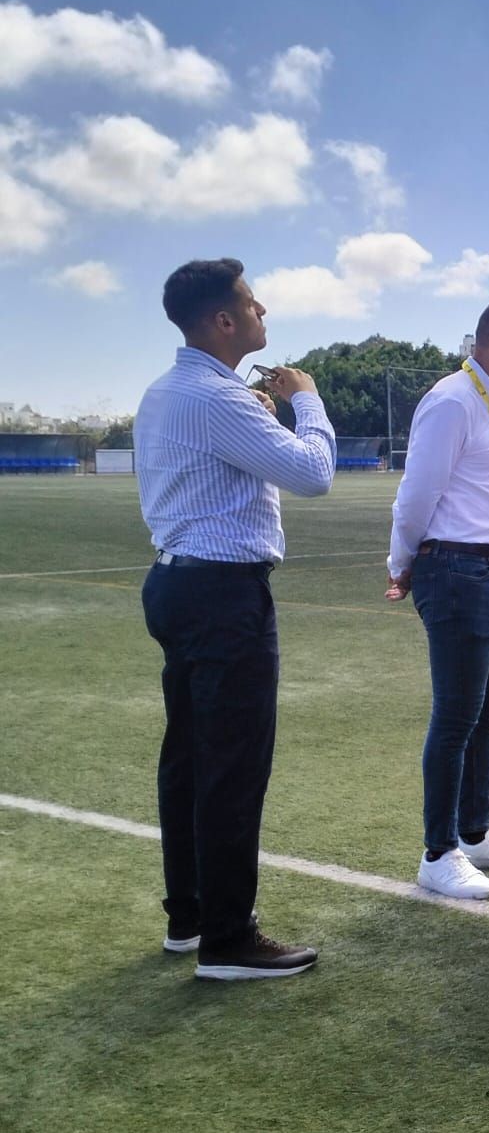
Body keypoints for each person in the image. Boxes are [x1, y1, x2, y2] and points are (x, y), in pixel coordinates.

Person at [136, 257, 336, 980]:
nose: (262, 312)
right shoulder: (217, 400)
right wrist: (308, 401)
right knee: (232, 765)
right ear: (222, 321)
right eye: (252, 304)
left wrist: (262, 415)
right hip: (223, 595)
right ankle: (229, 937)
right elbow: (312, 474)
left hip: (178, 583)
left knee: (189, 758)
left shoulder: (169, 392)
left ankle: (190, 917)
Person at [386, 295, 489, 900]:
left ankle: (474, 833)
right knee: (456, 717)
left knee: (485, 712)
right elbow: (417, 493)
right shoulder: (454, 401)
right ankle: (438, 852)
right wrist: (400, 565)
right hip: (455, 570)